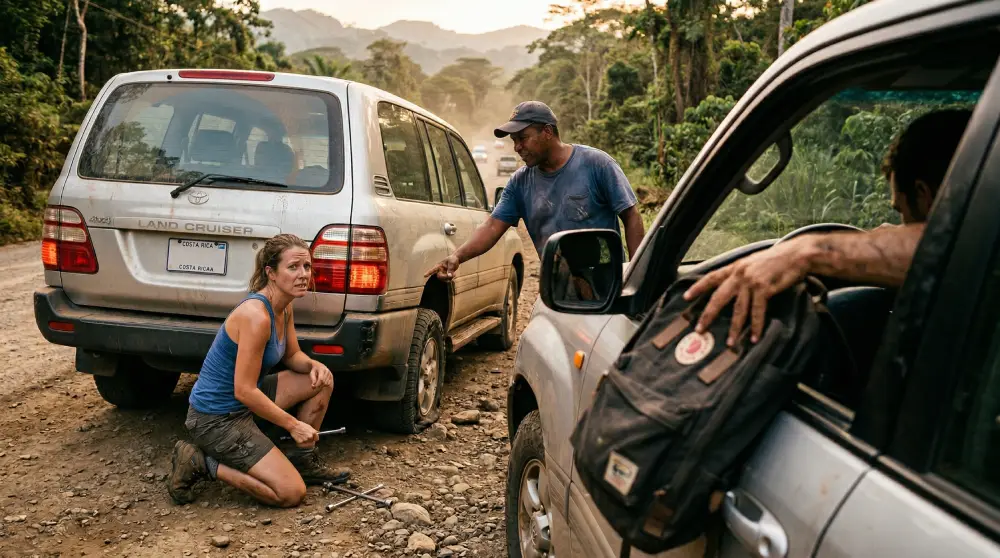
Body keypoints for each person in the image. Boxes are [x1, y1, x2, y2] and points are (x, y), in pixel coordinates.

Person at [683, 108, 971, 346]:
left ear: (924, 194)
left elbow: (951, 245)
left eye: (902, 211)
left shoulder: (976, 248)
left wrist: (802, 253)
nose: (899, 227)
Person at [167, 234, 349, 508]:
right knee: (291, 493)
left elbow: (291, 355)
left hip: (242, 405)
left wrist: (314, 365)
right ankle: (202, 462)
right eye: (293, 267)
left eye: (307, 267)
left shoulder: (283, 307)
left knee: (322, 381)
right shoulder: (256, 316)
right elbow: (244, 390)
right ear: (270, 273)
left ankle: (302, 460)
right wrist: (293, 424)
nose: (303, 275)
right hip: (215, 419)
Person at [426, 101, 646, 281]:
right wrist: (457, 256)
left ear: (547, 132)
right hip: (558, 288)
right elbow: (493, 226)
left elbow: (631, 215)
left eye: (522, 138)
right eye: (514, 141)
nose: (517, 147)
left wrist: (637, 273)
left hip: (607, 282)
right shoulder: (520, 182)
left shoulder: (597, 164)